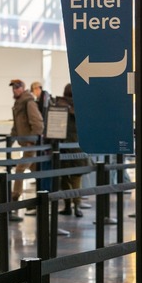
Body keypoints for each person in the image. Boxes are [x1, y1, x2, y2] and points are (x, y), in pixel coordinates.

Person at [9, 79, 44, 209]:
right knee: (35, 170)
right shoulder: (18, 104)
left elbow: (38, 123)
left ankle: (14, 198)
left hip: (31, 144)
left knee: (20, 169)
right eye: (13, 87)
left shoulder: (28, 102)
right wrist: (10, 141)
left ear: (23, 88)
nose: (15, 89)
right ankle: (42, 197)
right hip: (25, 143)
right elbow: (16, 126)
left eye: (17, 87)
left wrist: (32, 141)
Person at [56, 84, 87, 217]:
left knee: (64, 179)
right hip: (78, 148)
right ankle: (77, 206)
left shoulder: (59, 106)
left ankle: (68, 205)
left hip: (63, 147)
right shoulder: (82, 107)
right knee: (76, 180)